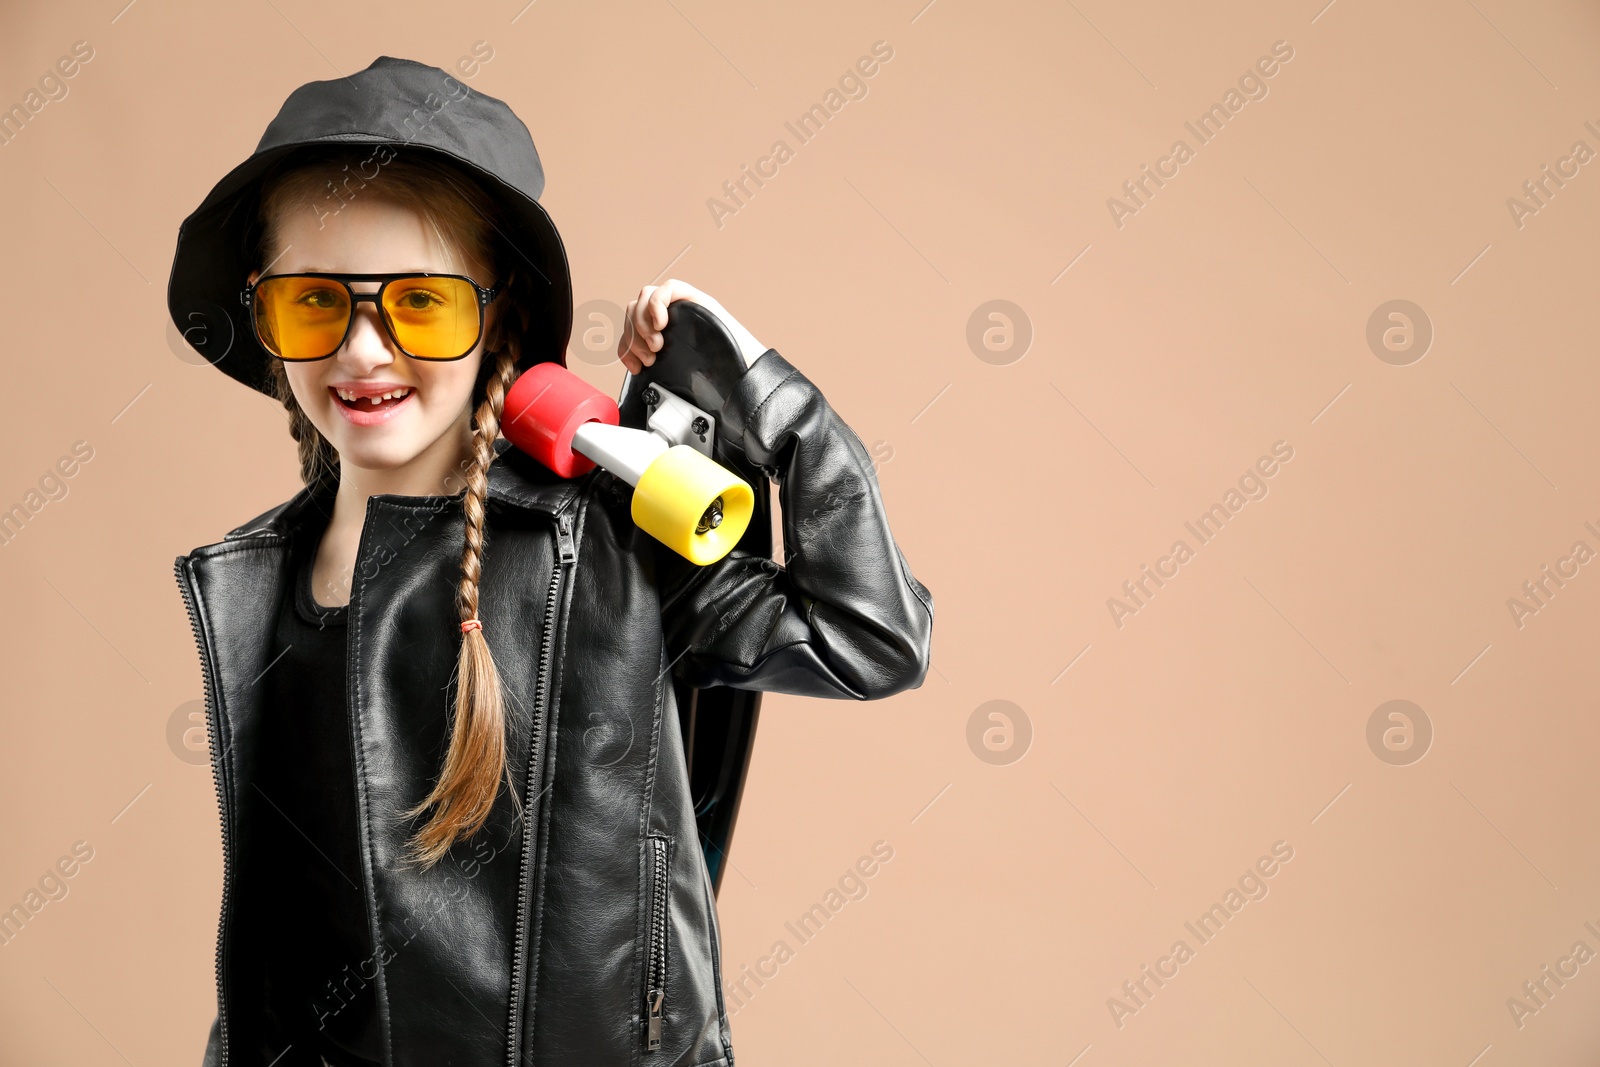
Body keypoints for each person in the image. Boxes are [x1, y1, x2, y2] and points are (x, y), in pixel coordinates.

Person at [169, 55, 933, 1067]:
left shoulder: (612, 540)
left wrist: (773, 401)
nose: (361, 351)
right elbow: (280, 936)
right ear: (266, 319)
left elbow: (869, 637)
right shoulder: (257, 578)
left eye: (422, 304)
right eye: (316, 302)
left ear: (504, 317)